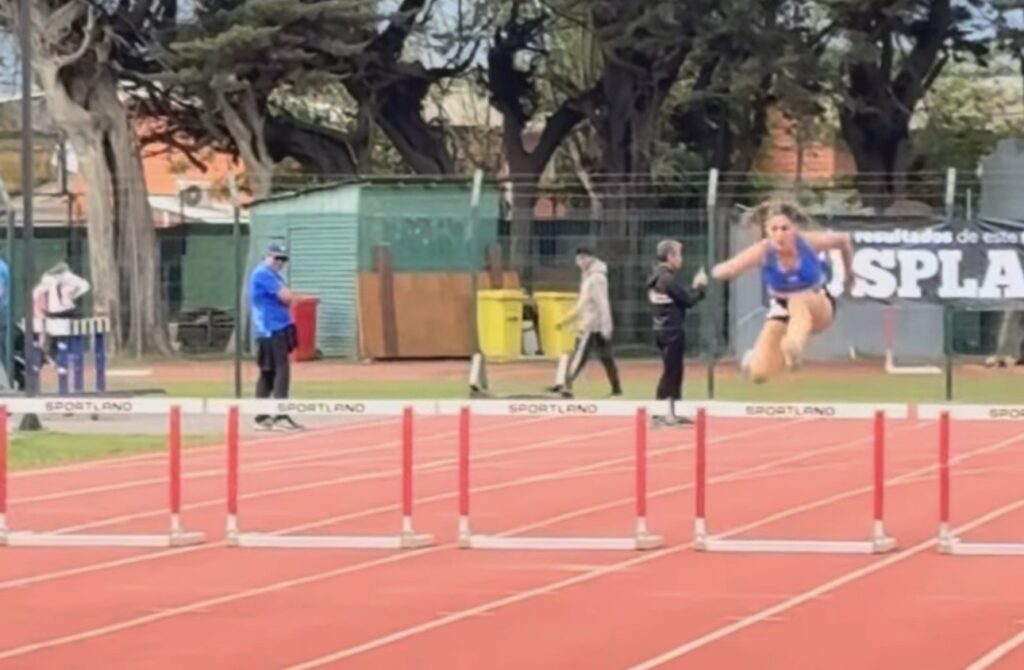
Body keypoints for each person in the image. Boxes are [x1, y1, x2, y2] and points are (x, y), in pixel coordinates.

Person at [711, 199, 853, 383]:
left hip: (818, 305)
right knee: (759, 374)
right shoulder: (763, 250)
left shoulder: (808, 242)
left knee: (798, 300)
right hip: (782, 311)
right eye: (774, 229)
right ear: (767, 231)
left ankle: (793, 347)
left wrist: (850, 275)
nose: (780, 234)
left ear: (794, 229)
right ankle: (755, 360)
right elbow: (731, 267)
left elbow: (843, 240)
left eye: (785, 229)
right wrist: (715, 272)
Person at [647, 240, 707, 426]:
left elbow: (678, 298)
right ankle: (659, 413)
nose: (681, 259)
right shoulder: (667, 279)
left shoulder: (656, 276)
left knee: (674, 372)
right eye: (679, 255)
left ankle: (674, 411)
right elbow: (688, 300)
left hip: (662, 328)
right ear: (670, 256)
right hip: (671, 330)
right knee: (671, 372)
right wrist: (699, 287)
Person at [549, 247, 622, 398]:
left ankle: (566, 385)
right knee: (606, 357)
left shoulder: (596, 279)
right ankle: (616, 388)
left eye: (580, 258)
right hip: (594, 324)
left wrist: (606, 325)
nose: (578, 262)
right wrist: (567, 320)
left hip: (591, 326)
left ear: (588, 258)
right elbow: (583, 304)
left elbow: (602, 303)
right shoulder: (589, 276)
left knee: (579, 356)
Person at [249, 243, 301, 431]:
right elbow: (286, 296)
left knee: (269, 372)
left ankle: (262, 416)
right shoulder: (263, 274)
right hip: (270, 329)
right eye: (277, 258)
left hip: (277, 327)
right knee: (280, 370)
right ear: (268, 257)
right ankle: (280, 415)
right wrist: (288, 295)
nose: (280, 262)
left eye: (283, 259)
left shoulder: (273, 276)